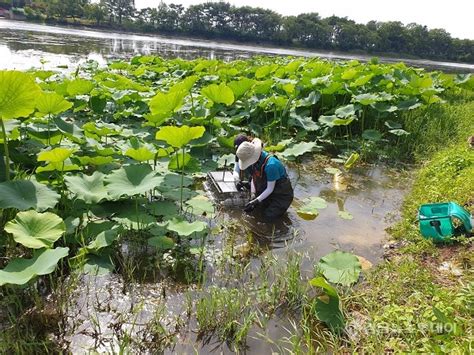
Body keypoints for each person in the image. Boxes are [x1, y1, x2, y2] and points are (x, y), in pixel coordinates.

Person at [236, 138, 294, 223]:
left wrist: (255, 201)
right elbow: (254, 178)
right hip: (266, 190)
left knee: (268, 217)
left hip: (280, 195)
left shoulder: (271, 165)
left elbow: (270, 189)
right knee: (258, 211)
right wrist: (253, 195)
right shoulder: (255, 163)